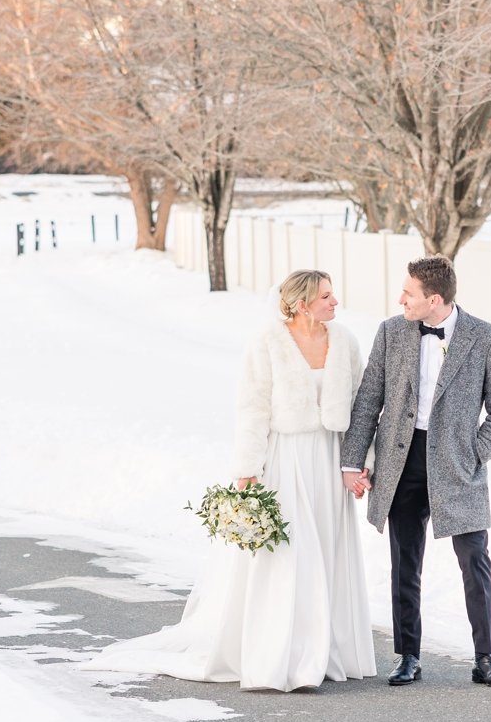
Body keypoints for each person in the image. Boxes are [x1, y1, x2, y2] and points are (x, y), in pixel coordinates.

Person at [85, 270, 375, 692]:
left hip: (329, 458)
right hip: (285, 458)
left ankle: (325, 651)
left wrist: (358, 462)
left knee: (325, 551)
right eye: (326, 296)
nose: (335, 302)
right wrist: (247, 470)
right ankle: (282, 653)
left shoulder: (345, 340)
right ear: (301, 303)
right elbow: (253, 406)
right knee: (290, 555)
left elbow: (361, 404)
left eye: (333, 294)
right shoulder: (268, 342)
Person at [341, 255, 491, 688]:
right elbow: (368, 400)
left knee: (474, 560)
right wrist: (353, 460)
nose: (400, 298)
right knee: (405, 562)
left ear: (434, 299)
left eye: (409, 293)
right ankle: (407, 655)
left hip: (458, 466)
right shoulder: (391, 331)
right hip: (400, 462)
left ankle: (485, 658)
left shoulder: (488, 340)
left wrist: (474, 453)